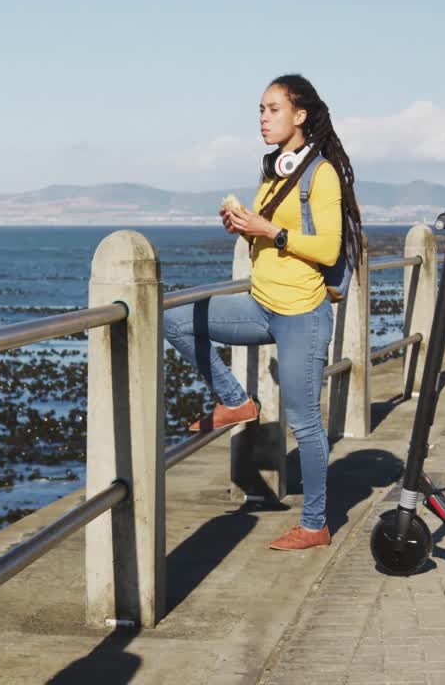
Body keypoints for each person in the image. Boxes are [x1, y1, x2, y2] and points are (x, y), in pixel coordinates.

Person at [163, 74, 364, 551]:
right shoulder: (273, 169)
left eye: (273, 109)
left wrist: (268, 230)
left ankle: (314, 525)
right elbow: (269, 236)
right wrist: (243, 227)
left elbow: (327, 246)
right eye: (260, 110)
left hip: (302, 314)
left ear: (300, 116)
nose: (263, 119)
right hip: (260, 304)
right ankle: (236, 401)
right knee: (176, 318)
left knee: (304, 421)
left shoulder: (322, 173)